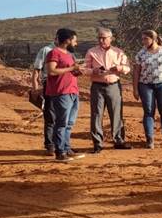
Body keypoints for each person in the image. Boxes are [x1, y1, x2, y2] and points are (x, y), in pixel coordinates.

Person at [85, 27, 132, 153]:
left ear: (111, 39)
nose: (101, 40)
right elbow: (85, 69)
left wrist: (120, 68)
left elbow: (128, 68)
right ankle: (97, 143)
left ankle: (118, 140)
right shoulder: (91, 52)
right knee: (96, 114)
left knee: (116, 113)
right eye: (99, 38)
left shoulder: (118, 52)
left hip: (114, 86)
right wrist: (94, 71)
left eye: (104, 38)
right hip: (97, 86)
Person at [45, 28, 86, 162]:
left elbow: (71, 72)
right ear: (67, 40)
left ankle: (67, 149)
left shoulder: (69, 54)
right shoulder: (54, 53)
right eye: (74, 40)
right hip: (61, 92)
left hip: (72, 91)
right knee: (62, 122)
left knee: (69, 123)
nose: (76, 43)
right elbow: (51, 71)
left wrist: (78, 71)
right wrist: (71, 69)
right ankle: (60, 151)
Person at [31, 34, 57, 155]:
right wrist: (35, 88)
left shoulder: (67, 51)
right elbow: (37, 69)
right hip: (50, 84)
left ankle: (61, 144)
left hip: (64, 87)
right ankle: (50, 144)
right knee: (50, 114)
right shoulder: (46, 50)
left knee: (63, 116)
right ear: (56, 38)